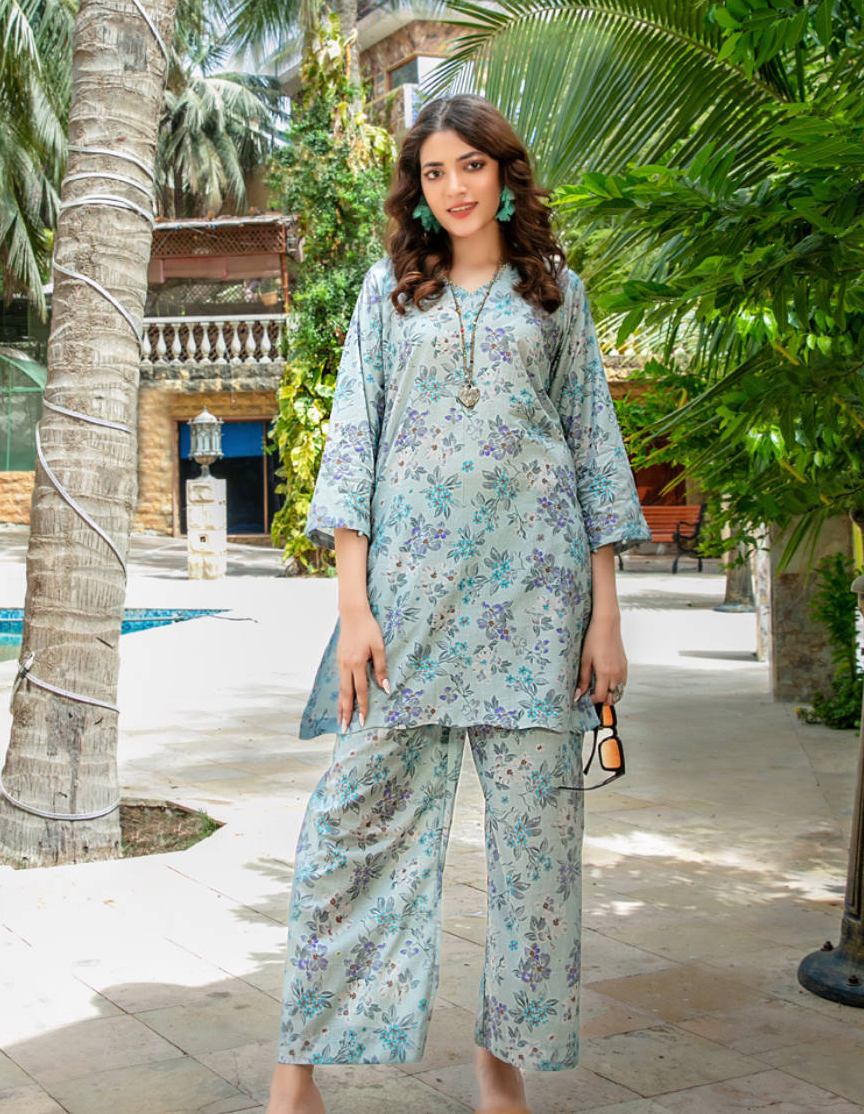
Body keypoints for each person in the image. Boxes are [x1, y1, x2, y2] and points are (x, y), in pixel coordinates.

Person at [265, 95, 650, 1114]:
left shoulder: (556, 293)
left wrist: (604, 616)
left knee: (536, 862)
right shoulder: (387, 292)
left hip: (537, 609)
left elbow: (592, 449)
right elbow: (352, 442)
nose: (454, 187)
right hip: (407, 614)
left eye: (469, 165)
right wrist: (353, 607)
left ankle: (499, 1068)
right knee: (346, 832)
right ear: (418, 189)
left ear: (503, 174)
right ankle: (295, 1071)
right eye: (434, 172)